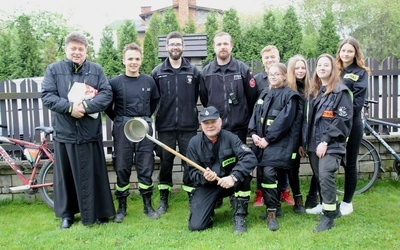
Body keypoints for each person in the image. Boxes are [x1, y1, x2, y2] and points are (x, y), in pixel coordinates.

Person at [41, 31, 115, 229]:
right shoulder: (54, 70)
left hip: (89, 133)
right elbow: (47, 95)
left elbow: (107, 94)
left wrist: (86, 107)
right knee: (66, 177)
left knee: (94, 175)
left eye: (81, 49)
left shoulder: (96, 70)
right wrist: (69, 108)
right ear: (66, 49)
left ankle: (99, 212)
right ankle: (67, 214)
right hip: (65, 134)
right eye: (73, 48)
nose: (77, 52)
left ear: (86, 51)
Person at [105, 42, 160, 222]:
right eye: (130, 59)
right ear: (123, 60)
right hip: (122, 128)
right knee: (122, 167)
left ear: (141, 60)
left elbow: (154, 102)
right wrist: (121, 121)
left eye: (136, 59)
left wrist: (143, 119)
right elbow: (107, 107)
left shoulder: (149, 81)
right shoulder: (115, 82)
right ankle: (121, 208)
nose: (133, 62)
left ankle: (147, 206)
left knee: (146, 166)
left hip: (144, 128)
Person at [187, 106, 257, 234]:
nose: (210, 126)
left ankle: (239, 216)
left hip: (230, 183)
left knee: (244, 176)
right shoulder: (194, 143)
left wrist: (233, 177)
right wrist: (204, 177)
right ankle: (209, 209)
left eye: (213, 122)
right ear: (201, 124)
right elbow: (191, 172)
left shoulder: (231, 138)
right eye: (206, 123)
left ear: (220, 121)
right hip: (208, 186)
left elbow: (250, 157)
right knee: (196, 226)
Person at [151, 31, 201, 213]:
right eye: (172, 44)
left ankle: (191, 196)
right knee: (166, 162)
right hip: (165, 127)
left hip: (188, 127)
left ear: (183, 47)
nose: (175, 47)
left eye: (178, 44)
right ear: (166, 47)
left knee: (189, 162)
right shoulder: (157, 72)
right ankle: (164, 199)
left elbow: (196, 95)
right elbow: (153, 99)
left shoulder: (193, 72)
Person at [303, 54, 353, 232]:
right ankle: (331, 208)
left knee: (325, 175)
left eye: (326, 65)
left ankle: (329, 217)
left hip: (331, 144)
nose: (322, 68)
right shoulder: (315, 92)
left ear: (333, 69)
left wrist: (325, 141)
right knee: (319, 177)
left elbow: (342, 121)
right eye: (319, 65)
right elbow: (308, 120)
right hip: (313, 144)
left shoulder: (341, 92)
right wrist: (305, 143)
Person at [248, 63, 301, 231]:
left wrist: (268, 139)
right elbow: (255, 114)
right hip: (262, 143)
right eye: (270, 74)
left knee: (269, 174)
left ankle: (271, 213)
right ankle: (275, 207)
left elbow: (283, 121)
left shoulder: (290, 96)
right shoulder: (265, 93)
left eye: (276, 74)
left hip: (279, 144)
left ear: (284, 76)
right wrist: (254, 133)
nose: (272, 76)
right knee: (264, 175)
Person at [253, 45, 294, 207]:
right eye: (266, 58)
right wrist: (255, 131)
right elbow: (254, 105)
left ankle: (284, 191)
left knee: (281, 163)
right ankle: (260, 194)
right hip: (261, 131)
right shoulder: (256, 80)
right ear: (262, 60)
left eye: (273, 57)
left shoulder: (287, 80)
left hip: (281, 132)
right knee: (260, 163)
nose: (269, 60)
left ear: (278, 57)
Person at [199, 32, 258, 144]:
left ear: (231, 46)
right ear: (214, 47)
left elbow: (251, 97)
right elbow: (205, 99)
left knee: (239, 160)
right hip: (216, 128)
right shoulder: (206, 73)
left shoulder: (243, 70)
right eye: (219, 44)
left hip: (239, 128)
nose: (222, 47)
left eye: (225, 43)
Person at [336, 36, 370, 216]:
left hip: (351, 124)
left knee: (349, 163)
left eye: (350, 51)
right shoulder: (335, 70)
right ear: (339, 52)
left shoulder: (361, 72)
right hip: (333, 123)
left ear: (356, 53)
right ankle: (326, 200)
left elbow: (357, 102)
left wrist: (340, 115)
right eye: (344, 50)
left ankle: (347, 202)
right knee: (329, 161)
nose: (346, 54)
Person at [286, 54, 312, 213]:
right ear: (291, 70)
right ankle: (297, 198)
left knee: (317, 168)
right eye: (297, 68)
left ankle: (312, 197)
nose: (300, 71)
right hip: (290, 137)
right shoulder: (287, 89)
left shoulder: (311, 89)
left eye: (303, 68)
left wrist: (304, 142)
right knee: (291, 169)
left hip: (307, 135)